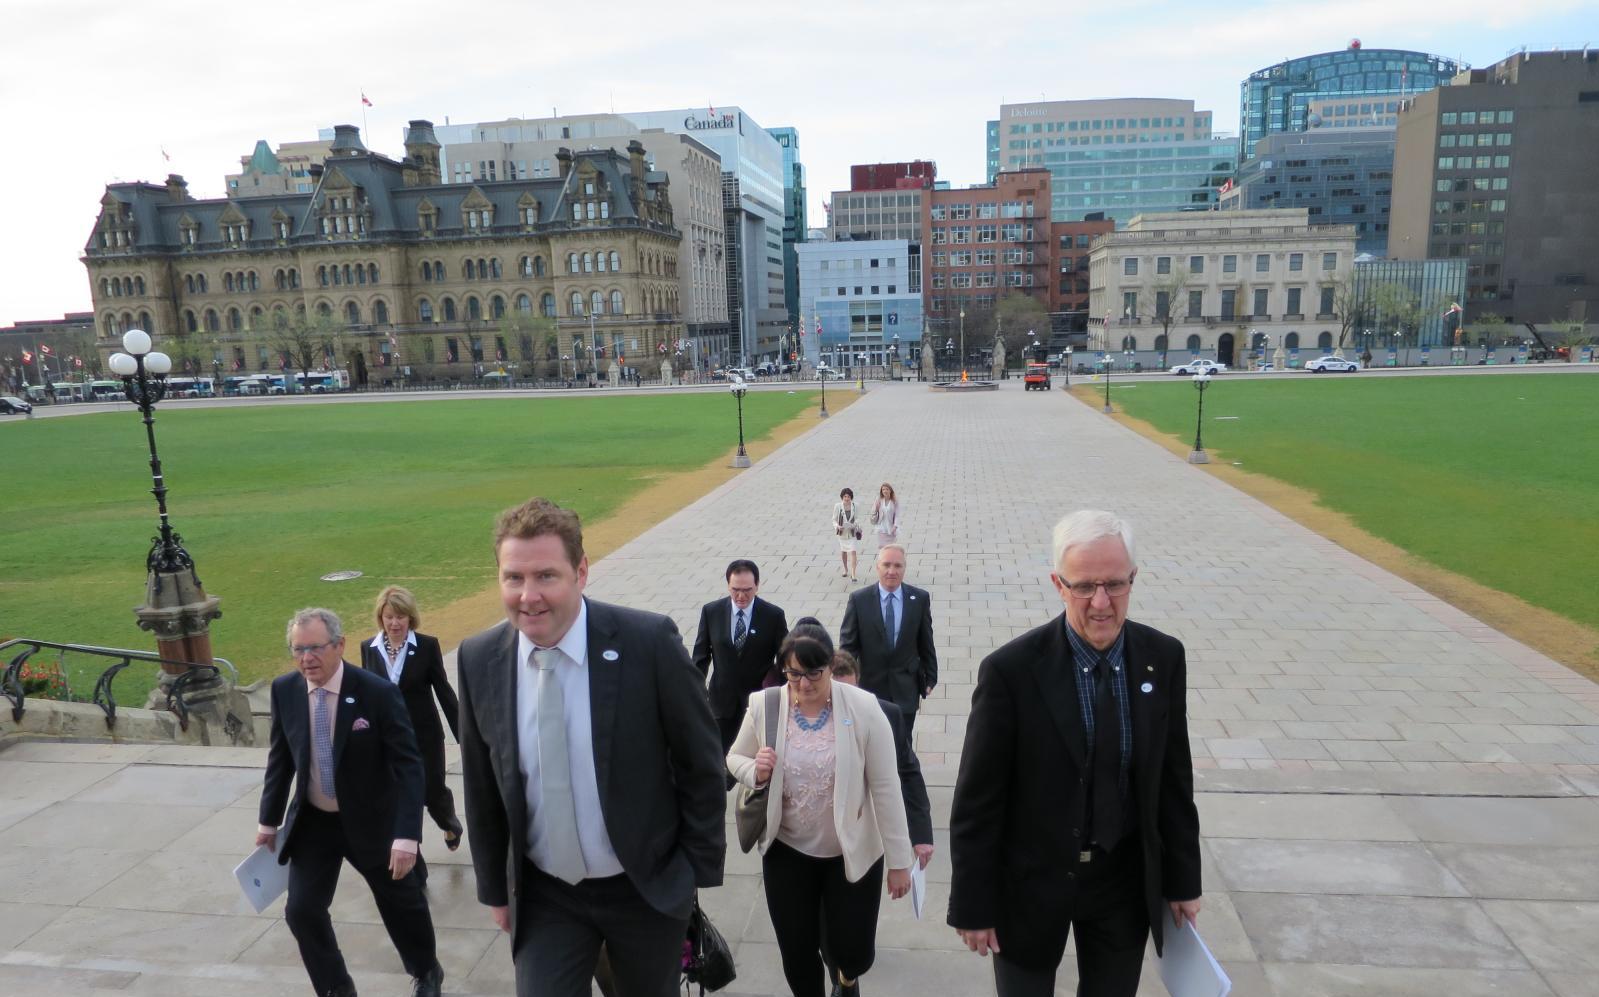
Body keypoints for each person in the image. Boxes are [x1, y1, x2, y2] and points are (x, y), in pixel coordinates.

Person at [455, 497, 725, 997]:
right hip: (547, 895)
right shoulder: (478, 659)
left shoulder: (648, 642)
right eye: (513, 577)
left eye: (546, 576)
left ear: (581, 571)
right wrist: (495, 888)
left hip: (643, 888)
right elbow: (481, 784)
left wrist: (690, 872)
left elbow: (701, 760)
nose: (528, 596)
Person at [947, 510, 1202, 997]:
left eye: (1115, 584)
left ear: (1133, 579)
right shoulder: (1010, 672)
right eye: (1084, 586)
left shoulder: (1163, 658)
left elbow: (1173, 779)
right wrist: (972, 904)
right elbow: (978, 800)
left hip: (1122, 884)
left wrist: (1183, 881)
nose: (1101, 602)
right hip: (1031, 885)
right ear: (1058, 585)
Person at [256, 607, 443, 997]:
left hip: (373, 819)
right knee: (301, 911)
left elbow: (409, 766)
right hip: (315, 822)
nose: (306, 658)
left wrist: (407, 835)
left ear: (340, 645)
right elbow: (281, 758)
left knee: (402, 904)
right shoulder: (285, 690)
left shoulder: (377, 693)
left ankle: (426, 970)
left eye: (315, 648)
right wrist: (267, 821)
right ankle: (337, 987)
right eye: (298, 649)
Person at [727, 623, 913, 997]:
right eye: (794, 673)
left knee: (853, 951)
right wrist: (755, 771)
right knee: (796, 949)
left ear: (830, 665)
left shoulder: (863, 708)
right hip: (787, 850)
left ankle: (846, 978)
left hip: (849, 849)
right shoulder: (766, 705)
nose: (804, 683)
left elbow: (886, 787)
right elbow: (734, 757)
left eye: (814, 673)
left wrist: (899, 861)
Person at [360, 586, 463, 876]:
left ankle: (450, 824)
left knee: (433, 794)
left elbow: (444, 692)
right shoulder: (368, 648)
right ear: (381, 617)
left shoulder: (427, 646)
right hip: (388, 742)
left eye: (401, 617)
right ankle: (415, 870)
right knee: (401, 802)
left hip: (425, 738)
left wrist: (465, 736)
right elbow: (367, 695)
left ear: (410, 618)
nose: (395, 623)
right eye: (389, 617)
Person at [829, 649, 933, 867]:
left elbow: (908, 773)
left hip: (866, 836)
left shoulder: (886, 714)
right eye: (838, 693)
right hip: (820, 835)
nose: (845, 700)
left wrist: (921, 834)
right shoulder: (804, 720)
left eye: (851, 691)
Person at [692, 559, 791, 759]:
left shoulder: (773, 615)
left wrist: (786, 696)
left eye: (747, 590)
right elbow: (700, 658)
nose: (740, 596)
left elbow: (785, 660)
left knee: (754, 760)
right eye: (735, 590)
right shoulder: (712, 612)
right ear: (728, 586)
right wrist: (695, 693)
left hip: (758, 702)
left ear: (757, 586)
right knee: (721, 759)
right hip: (722, 704)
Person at [840, 543, 938, 737]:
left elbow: (926, 641)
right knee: (871, 743)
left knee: (903, 743)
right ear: (877, 567)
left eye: (897, 565)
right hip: (870, 689)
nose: (892, 571)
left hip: (906, 688)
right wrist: (845, 682)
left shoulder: (919, 599)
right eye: (886, 565)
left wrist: (931, 675)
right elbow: (848, 648)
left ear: (904, 568)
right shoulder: (859, 600)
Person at [833, 487, 862, 581]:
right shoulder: (838, 506)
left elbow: (857, 518)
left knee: (853, 551)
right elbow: (834, 519)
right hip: (842, 533)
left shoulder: (855, 506)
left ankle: (853, 573)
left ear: (851, 497)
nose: (846, 498)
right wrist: (837, 526)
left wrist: (854, 524)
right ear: (842, 497)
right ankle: (845, 569)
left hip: (852, 532)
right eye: (845, 496)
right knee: (844, 551)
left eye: (848, 496)